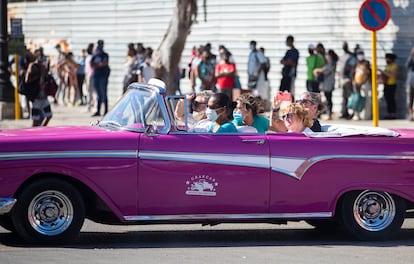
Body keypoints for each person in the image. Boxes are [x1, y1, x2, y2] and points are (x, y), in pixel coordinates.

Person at [27, 49, 53, 127]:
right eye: (40, 56)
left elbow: (46, 77)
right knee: (35, 118)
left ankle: (41, 129)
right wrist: (37, 76)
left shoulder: (43, 67)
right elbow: (27, 80)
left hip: (43, 96)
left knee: (49, 115)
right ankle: (33, 133)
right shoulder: (32, 65)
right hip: (36, 96)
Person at [313, 49, 339, 120]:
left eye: (328, 55)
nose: (326, 56)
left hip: (328, 84)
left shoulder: (332, 63)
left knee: (328, 99)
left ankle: (329, 114)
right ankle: (328, 113)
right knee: (327, 99)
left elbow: (325, 71)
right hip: (326, 84)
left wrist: (317, 70)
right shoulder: (328, 63)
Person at [90, 40, 110, 117]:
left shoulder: (105, 55)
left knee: (103, 93)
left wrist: (97, 64)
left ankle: (106, 111)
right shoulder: (95, 55)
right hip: (96, 76)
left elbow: (104, 64)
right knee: (98, 94)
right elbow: (91, 65)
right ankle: (98, 110)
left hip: (103, 76)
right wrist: (98, 64)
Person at [247, 40, 269, 108]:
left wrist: (257, 72)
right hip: (252, 77)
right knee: (253, 93)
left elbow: (263, 63)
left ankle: (263, 108)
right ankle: (256, 108)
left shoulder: (258, 53)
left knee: (261, 93)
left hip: (259, 77)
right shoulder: (251, 54)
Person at [350, 49, 371, 120]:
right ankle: (356, 115)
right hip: (356, 84)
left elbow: (368, 74)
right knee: (356, 99)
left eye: (361, 54)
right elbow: (353, 73)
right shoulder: (356, 63)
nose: (360, 56)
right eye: (358, 54)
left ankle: (366, 116)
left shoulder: (366, 63)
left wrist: (362, 83)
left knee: (366, 99)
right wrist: (354, 82)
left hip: (364, 84)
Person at [338, 41, 356, 119]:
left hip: (348, 78)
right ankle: (344, 112)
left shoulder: (351, 57)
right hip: (342, 78)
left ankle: (351, 112)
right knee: (344, 97)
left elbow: (351, 67)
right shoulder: (342, 56)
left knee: (349, 96)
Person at [379, 53, 398, 119]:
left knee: (391, 99)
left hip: (392, 84)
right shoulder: (387, 66)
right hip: (386, 84)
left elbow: (392, 75)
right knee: (387, 99)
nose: (386, 60)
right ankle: (389, 113)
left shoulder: (394, 66)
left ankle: (393, 114)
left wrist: (383, 72)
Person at [406, 47, 414, 121]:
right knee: (409, 100)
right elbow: (407, 65)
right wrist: (411, 55)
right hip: (410, 82)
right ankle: (411, 115)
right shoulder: (411, 59)